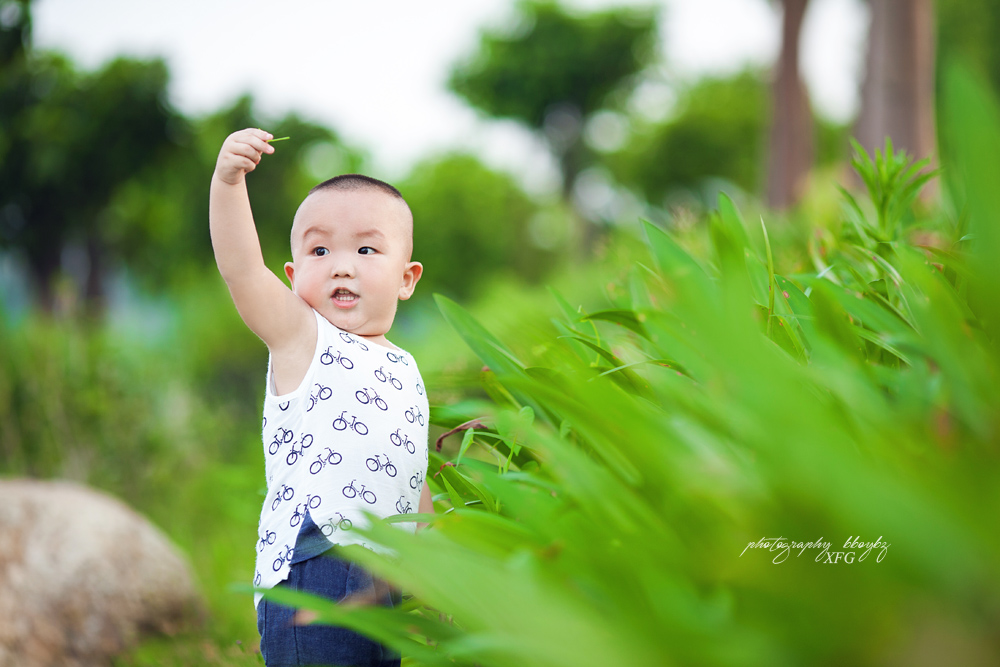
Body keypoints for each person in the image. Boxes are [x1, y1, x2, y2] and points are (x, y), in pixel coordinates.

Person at [210, 128, 433, 667]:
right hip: (317, 566)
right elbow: (242, 269)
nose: (341, 264)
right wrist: (228, 181)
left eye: (365, 248)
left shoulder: (405, 366)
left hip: (387, 580)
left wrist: (431, 561)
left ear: (406, 278)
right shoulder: (302, 336)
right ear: (292, 276)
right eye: (319, 249)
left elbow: (410, 469)